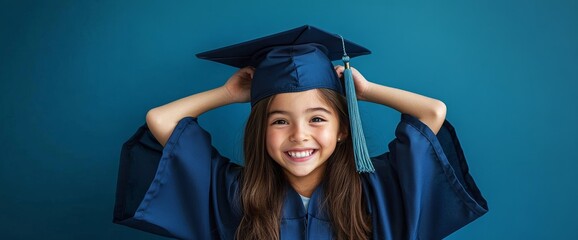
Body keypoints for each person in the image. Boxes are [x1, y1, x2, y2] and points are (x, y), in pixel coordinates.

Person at [113, 25, 488, 240]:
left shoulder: (377, 189)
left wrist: (365, 92)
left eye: (317, 119)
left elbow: (432, 112)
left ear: (344, 130)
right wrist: (227, 94)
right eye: (279, 121)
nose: (299, 135)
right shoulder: (234, 193)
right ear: (262, 132)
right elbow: (160, 121)